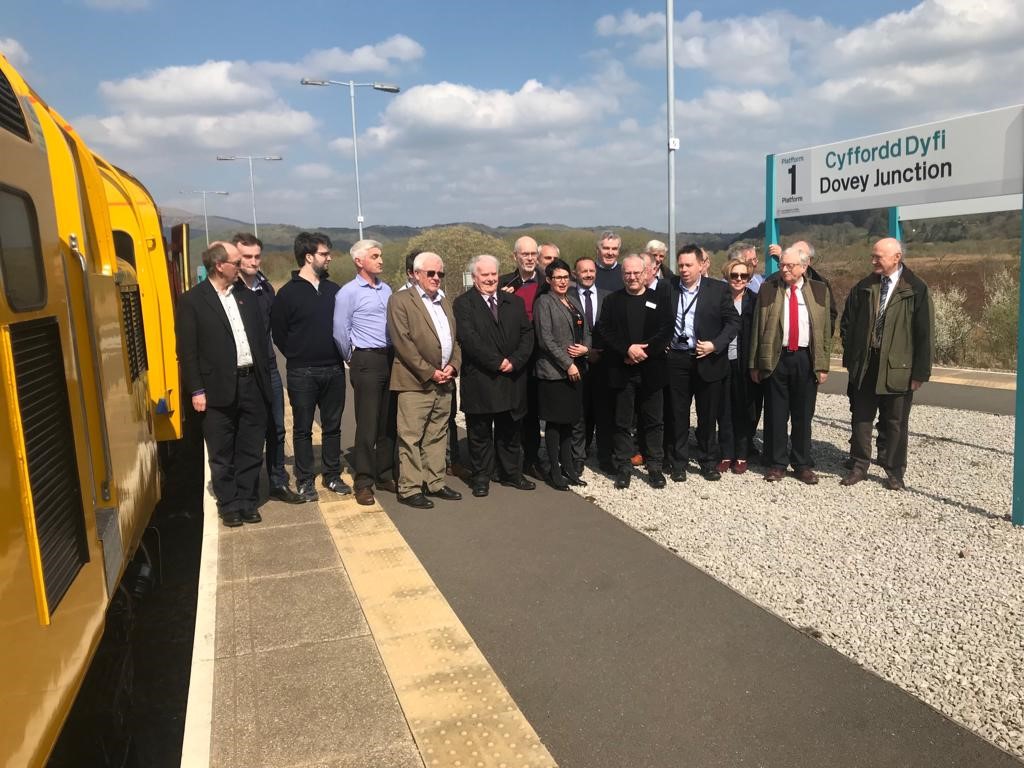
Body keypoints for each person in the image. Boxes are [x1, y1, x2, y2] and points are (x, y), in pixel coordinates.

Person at [177, 241, 272, 526]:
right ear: (219, 266)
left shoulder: (246, 296)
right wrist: (196, 390)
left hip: (252, 383)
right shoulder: (193, 301)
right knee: (221, 451)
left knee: (251, 447)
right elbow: (187, 351)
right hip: (216, 388)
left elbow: (260, 339)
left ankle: (247, 500)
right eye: (236, 262)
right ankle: (229, 504)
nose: (241, 266)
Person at [840, 238, 933, 491]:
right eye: (873, 256)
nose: (873, 261)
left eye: (878, 257)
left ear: (896, 257)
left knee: (895, 421)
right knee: (861, 417)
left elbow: (924, 333)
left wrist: (920, 372)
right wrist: (853, 356)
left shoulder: (915, 288)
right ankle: (859, 465)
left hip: (898, 367)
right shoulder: (864, 286)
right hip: (865, 364)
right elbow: (847, 323)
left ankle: (894, 471)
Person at [270, 232, 350, 502]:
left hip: (334, 369)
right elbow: (279, 334)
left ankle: (332, 475)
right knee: (303, 429)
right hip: (301, 372)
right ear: (308, 257)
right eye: (324, 254)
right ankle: (305, 479)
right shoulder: (287, 294)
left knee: (333, 426)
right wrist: (298, 354)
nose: (329, 258)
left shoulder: (334, 290)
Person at [749, 244, 832, 484]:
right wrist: (755, 363)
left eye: (790, 265)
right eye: (782, 265)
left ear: (804, 267)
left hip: (805, 359)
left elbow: (825, 329)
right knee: (776, 413)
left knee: (803, 415)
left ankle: (802, 463)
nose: (784, 269)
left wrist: (823, 364)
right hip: (776, 357)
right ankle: (777, 463)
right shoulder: (769, 289)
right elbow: (757, 327)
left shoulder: (819, 290)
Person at [453, 254, 535, 497]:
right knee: (479, 432)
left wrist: (515, 361)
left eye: (493, 274)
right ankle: (481, 476)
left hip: (511, 377)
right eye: (485, 275)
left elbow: (527, 334)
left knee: (510, 430)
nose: (490, 279)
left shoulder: (514, 302)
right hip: (481, 378)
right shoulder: (463, 304)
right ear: (474, 277)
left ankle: (511, 473)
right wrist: (497, 362)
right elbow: (469, 339)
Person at [387, 251, 463, 508]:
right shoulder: (400, 300)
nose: (436, 277)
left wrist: (453, 365)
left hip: (444, 381)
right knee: (410, 436)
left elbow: (454, 340)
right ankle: (409, 488)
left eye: (440, 273)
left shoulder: (444, 301)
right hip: (414, 382)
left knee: (437, 434)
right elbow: (403, 343)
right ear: (416, 274)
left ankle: (435, 482)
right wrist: (429, 371)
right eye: (431, 273)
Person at [232, 232, 303, 504]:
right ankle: (245, 489)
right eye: (247, 257)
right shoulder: (230, 291)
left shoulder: (265, 288)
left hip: (270, 368)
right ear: (235, 259)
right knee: (246, 432)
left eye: (257, 256)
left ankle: (277, 481)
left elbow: (279, 326)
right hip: (242, 370)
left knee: (277, 428)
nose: (253, 261)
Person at [596, 254, 674, 489]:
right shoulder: (612, 301)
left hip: (652, 370)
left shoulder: (659, 299)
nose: (632, 277)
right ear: (622, 275)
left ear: (646, 273)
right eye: (627, 273)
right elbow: (605, 330)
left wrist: (644, 352)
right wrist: (627, 350)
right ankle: (623, 466)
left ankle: (655, 467)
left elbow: (666, 330)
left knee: (653, 421)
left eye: (636, 273)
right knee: (622, 421)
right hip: (622, 369)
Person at [666, 245, 740, 482]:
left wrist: (715, 345)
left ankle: (708, 461)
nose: (684, 269)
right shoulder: (668, 287)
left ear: (701, 265)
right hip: (677, 360)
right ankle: (678, 462)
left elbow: (733, 322)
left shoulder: (718, 289)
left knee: (707, 415)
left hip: (708, 359)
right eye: (681, 265)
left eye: (689, 265)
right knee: (677, 414)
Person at [332, 239, 396, 506]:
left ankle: (385, 473)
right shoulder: (347, 293)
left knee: (387, 421)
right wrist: (352, 356)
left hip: (389, 358)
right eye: (375, 256)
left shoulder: (386, 289)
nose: (380, 260)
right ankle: (364, 481)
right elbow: (340, 330)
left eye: (380, 255)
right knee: (368, 423)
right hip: (365, 359)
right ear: (359, 261)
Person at [533, 258, 591, 490]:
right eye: (557, 278)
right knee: (555, 424)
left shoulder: (573, 300)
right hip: (554, 372)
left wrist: (586, 348)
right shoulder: (544, 302)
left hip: (576, 371)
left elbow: (586, 330)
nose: (562, 281)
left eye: (566, 277)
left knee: (569, 422)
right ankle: (554, 471)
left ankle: (569, 468)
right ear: (549, 280)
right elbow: (545, 339)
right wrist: (567, 364)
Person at [500, 236, 545, 477]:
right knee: (512, 410)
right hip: (514, 355)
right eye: (524, 254)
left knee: (533, 411)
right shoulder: (503, 283)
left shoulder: (546, 282)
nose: (529, 258)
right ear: (515, 256)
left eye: (532, 254)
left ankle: (532, 459)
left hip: (539, 355)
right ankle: (508, 460)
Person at [715, 258, 758, 474]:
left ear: (749, 278)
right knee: (724, 409)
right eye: (734, 275)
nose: (739, 279)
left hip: (746, 363)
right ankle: (726, 453)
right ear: (727, 276)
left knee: (745, 409)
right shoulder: (718, 299)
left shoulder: (755, 301)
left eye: (744, 276)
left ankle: (742, 454)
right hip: (722, 361)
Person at [572, 256, 613, 474]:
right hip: (577, 362)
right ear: (575, 274)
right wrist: (586, 352)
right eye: (584, 271)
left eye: (591, 271)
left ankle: (605, 457)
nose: (588, 274)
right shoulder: (567, 297)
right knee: (580, 413)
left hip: (604, 363)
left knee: (604, 413)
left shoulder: (609, 297)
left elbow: (613, 329)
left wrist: (599, 352)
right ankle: (579, 456)